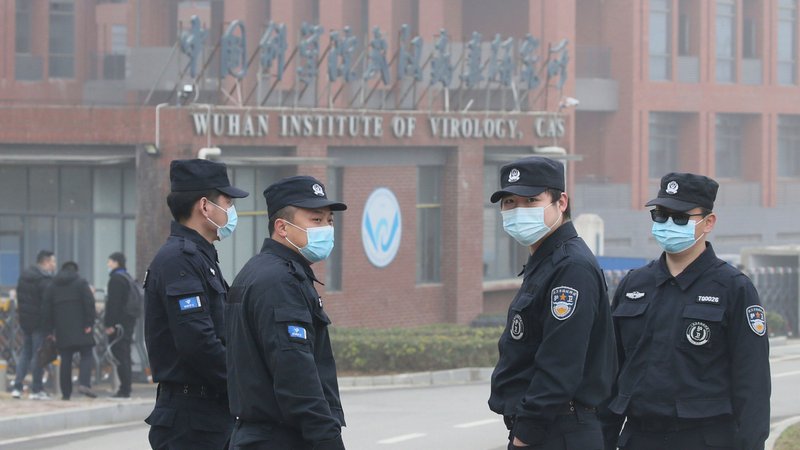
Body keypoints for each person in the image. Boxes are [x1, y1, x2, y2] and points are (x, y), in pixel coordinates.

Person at [600, 173, 771, 450]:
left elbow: (753, 384)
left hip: (704, 438)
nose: (669, 224)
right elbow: (609, 373)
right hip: (640, 437)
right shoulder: (634, 284)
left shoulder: (733, 289)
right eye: (660, 215)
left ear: (709, 222)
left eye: (680, 217)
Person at [487, 156, 616, 450]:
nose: (518, 210)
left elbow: (560, 364)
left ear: (561, 202)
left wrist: (525, 436)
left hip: (559, 431)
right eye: (509, 203)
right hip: (549, 428)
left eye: (531, 200)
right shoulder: (545, 262)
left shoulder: (571, 267)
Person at [226, 176, 347, 449]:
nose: (326, 229)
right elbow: (295, 373)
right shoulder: (279, 281)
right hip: (280, 438)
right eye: (316, 220)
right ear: (282, 227)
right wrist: (328, 439)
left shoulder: (263, 271)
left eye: (329, 221)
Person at [143, 159, 249, 449]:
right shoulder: (180, 259)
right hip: (190, 421)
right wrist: (245, 386)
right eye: (227, 202)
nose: (231, 211)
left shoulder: (200, 256)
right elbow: (198, 342)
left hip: (209, 414)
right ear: (204, 206)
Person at [42, 261, 97, 400]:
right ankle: (84, 383)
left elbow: (46, 310)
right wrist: (89, 323)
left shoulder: (53, 286)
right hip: (82, 328)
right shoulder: (81, 283)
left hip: (62, 330)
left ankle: (66, 394)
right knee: (86, 354)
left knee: (65, 360)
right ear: (75, 270)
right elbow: (89, 303)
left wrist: (49, 330)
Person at [12, 250, 56, 400]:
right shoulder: (44, 280)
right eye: (53, 261)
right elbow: (47, 304)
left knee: (26, 353)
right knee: (39, 355)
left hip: (26, 322)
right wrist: (50, 326)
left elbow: (20, 299)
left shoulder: (24, 276)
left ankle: (17, 387)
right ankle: (36, 389)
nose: (54, 265)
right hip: (40, 323)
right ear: (46, 262)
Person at [104, 251, 135, 399]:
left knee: (120, 356)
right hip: (128, 322)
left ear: (116, 262)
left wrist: (109, 324)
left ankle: (124, 389)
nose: (108, 265)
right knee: (125, 355)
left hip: (119, 325)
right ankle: (126, 387)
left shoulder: (116, 279)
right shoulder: (127, 277)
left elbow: (113, 304)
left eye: (109, 262)